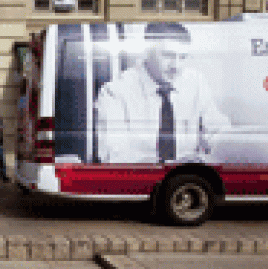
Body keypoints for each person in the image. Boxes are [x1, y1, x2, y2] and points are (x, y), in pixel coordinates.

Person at [95, 22, 231, 164]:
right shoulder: (115, 92)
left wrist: (225, 146)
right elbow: (113, 155)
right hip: (140, 180)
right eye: (168, 55)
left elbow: (217, 132)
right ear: (147, 51)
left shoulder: (195, 82)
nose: (176, 66)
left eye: (183, 57)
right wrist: (168, 165)